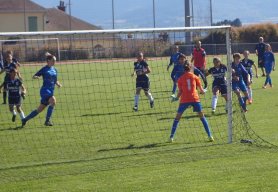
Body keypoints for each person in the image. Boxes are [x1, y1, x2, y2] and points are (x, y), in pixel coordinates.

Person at [169, 62, 214, 142]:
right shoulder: (195, 77)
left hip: (184, 100)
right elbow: (202, 91)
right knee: (202, 117)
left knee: (177, 118)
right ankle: (210, 136)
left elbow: (180, 92)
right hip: (195, 99)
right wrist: (203, 91)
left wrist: (176, 98)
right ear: (191, 68)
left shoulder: (180, 79)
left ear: (184, 69)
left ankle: (171, 137)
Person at [22, 53, 62, 127]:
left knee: (39, 109)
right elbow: (34, 75)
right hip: (45, 91)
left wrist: (58, 84)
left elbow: (55, 80)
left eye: (55, 60)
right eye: (53, 60)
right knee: (53, 101)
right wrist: (36, 77)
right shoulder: (44, 69)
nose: (54, 62)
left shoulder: (55, 70)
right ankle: (47, 121)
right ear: (48, 61)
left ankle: (25, 119)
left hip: (51, 90)